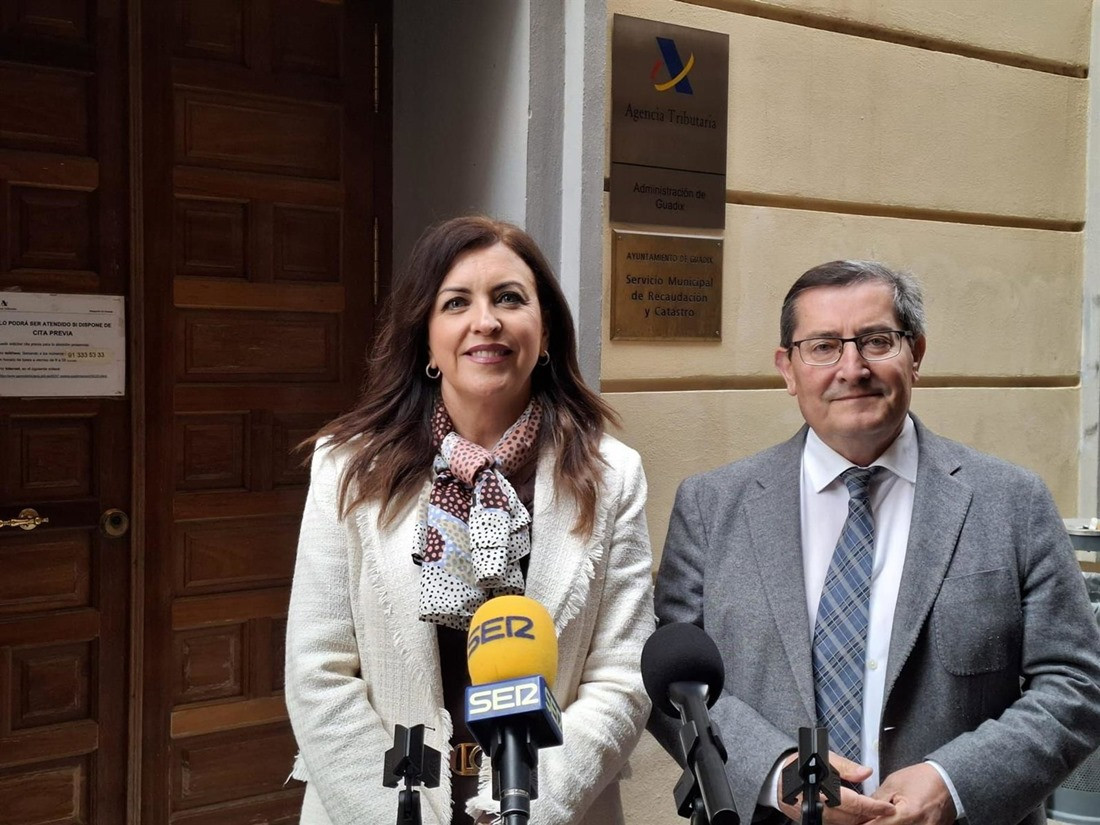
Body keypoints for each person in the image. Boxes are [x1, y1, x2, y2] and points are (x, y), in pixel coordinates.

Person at [650, 260, 1100, 825]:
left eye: (876, 341)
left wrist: (952, 783)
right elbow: (671, 686)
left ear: (917, 354)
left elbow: (1077, 685)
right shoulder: (713, 506)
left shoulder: (1010, 501)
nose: (852, 367)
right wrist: (776, 771)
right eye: (822, 347)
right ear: (787, 369)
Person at [285, 216, 654, 825]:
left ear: (547, 330)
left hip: (543, 807)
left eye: (510, 298)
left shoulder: (611, 475)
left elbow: (620, 676)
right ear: (426, 338)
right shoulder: (347, 469)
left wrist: (525, 808)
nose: (487, 321)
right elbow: (317, 670)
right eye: (457, 302)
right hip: (382, 806)